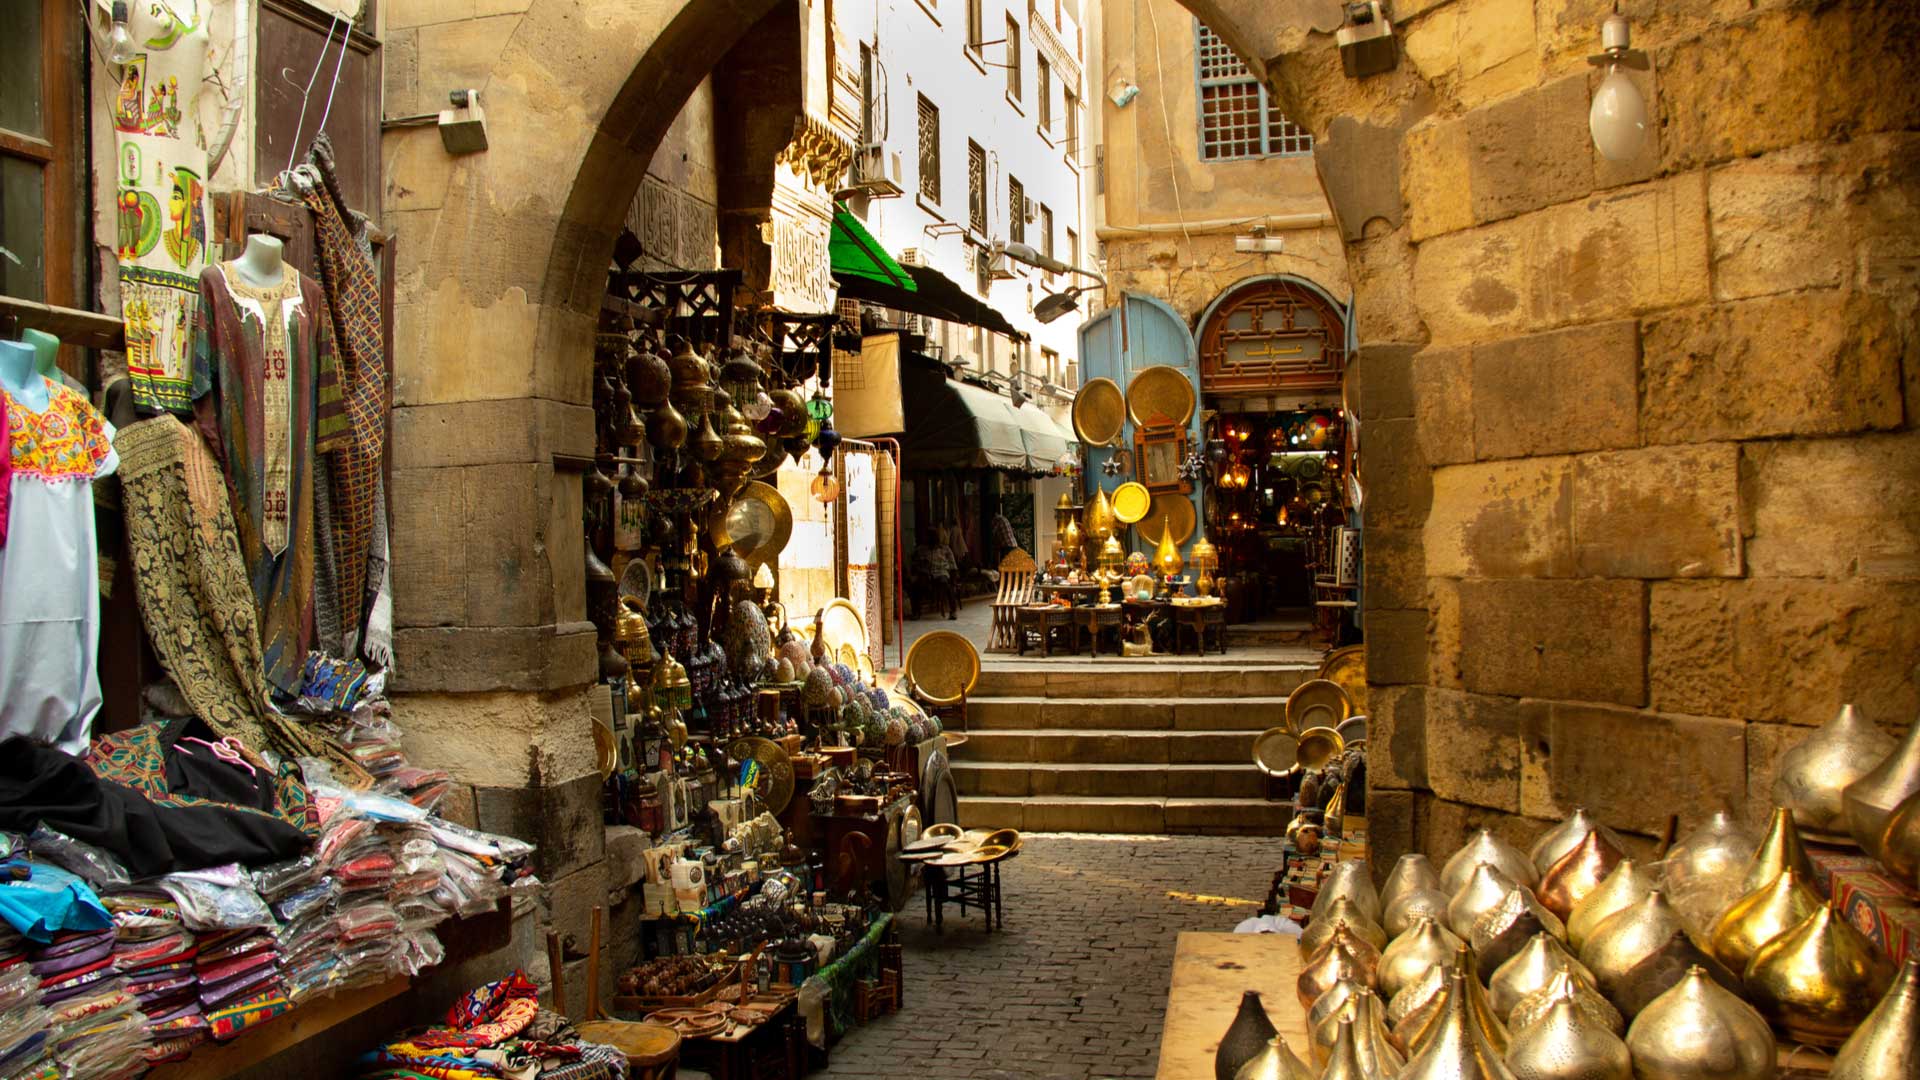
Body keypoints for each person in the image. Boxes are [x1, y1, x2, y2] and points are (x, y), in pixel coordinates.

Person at [926, 527, 960, 620]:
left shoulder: (945, 549)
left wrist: (954, 577)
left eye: (933, 537)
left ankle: (952, 611)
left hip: (941, 573)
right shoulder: (923, 550)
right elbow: (916, 563)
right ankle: (915, 612)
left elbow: (953, 564)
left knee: (945, 584)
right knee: (915, 586)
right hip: (927, 574)